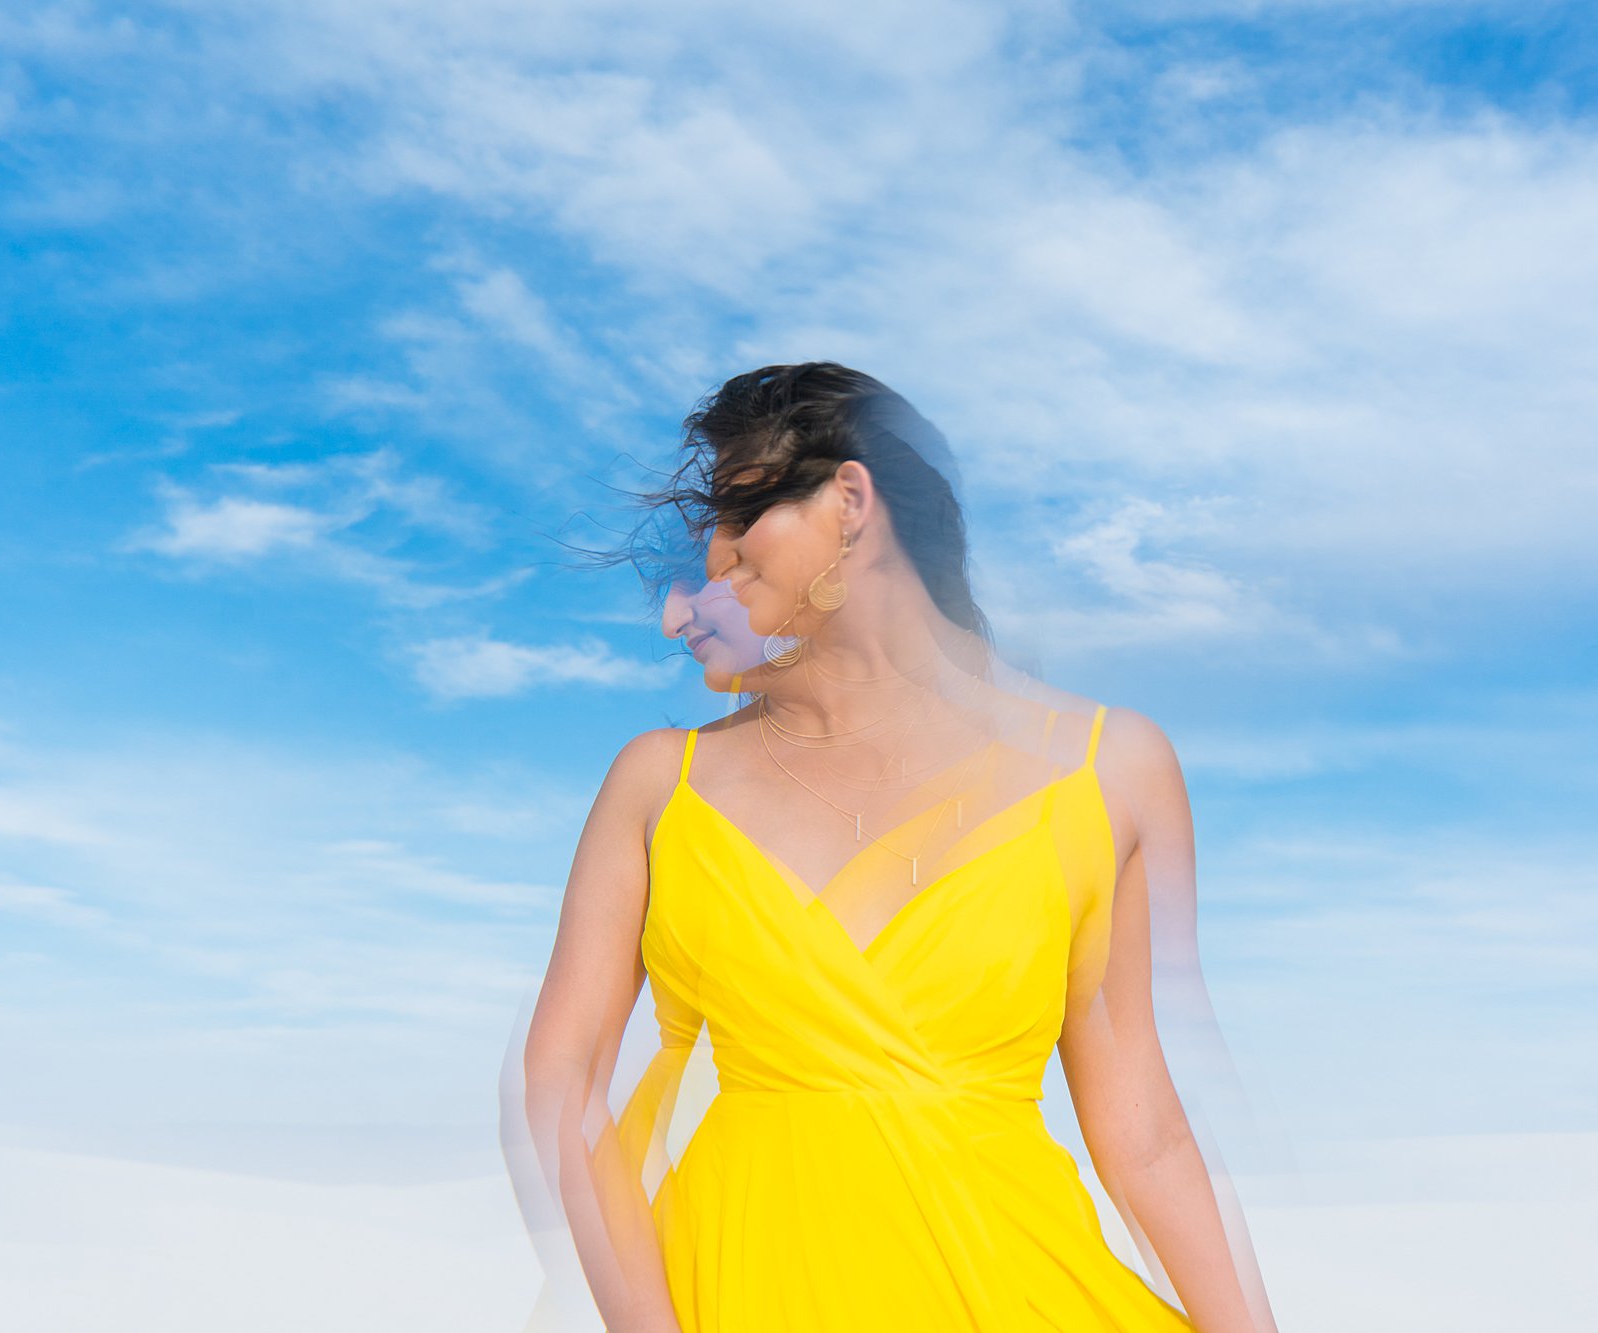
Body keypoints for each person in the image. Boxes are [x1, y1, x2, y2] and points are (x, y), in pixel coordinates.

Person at [505, 363, 1280, 1331]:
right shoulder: (658, 786)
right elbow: (562, 1083)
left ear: (848, 499)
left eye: (741, 516)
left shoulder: (1109, 771)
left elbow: (1144, 1131)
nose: (712, 560)